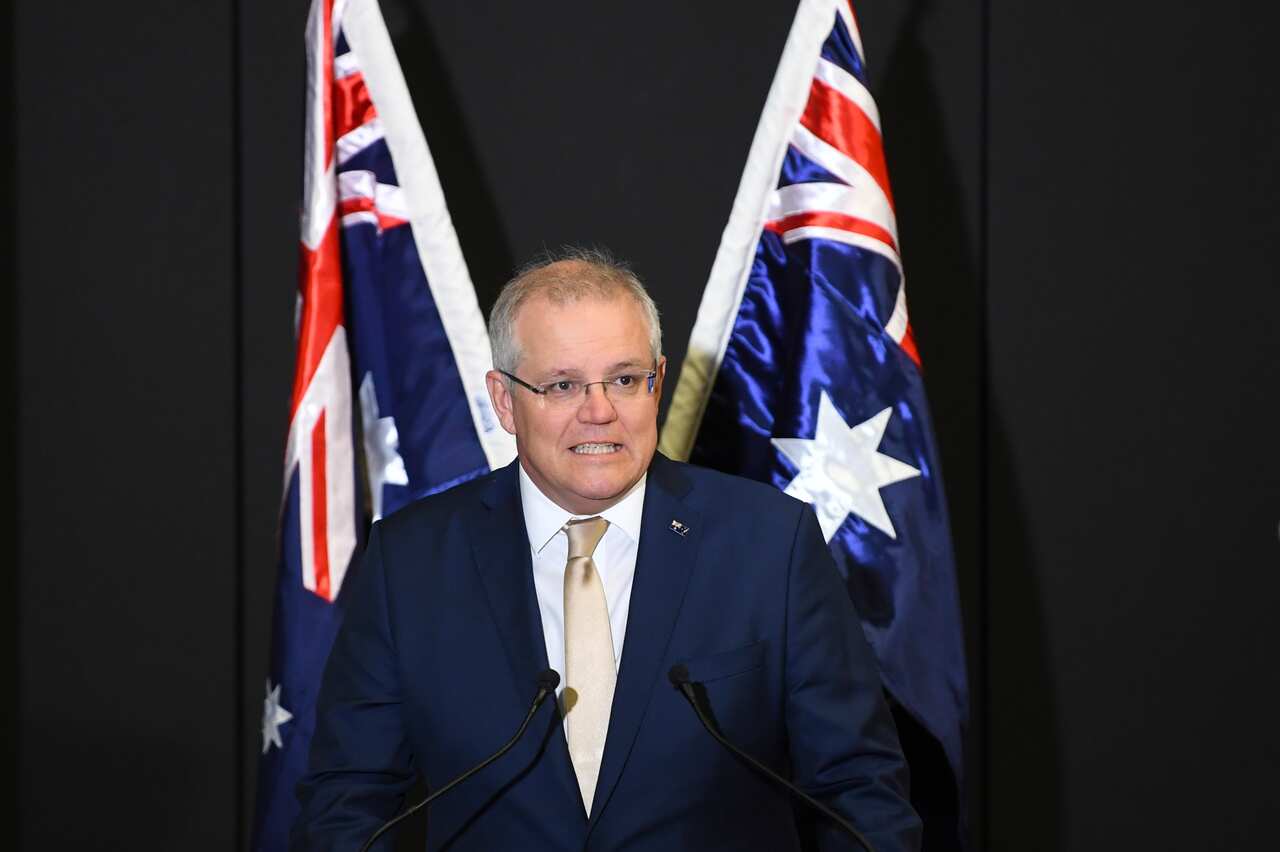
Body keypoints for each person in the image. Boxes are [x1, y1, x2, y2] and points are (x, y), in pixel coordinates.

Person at [292, 248, 922, 851]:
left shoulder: (768, 544)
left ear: (659, 383)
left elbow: (858, 790)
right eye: (563, 385)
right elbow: (350, 800)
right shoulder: (411, 561)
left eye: (625, 379)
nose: (600, 412)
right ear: (505, 400)